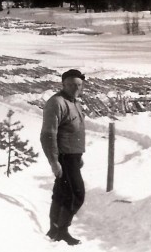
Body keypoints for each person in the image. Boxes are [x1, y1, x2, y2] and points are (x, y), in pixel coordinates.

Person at [40, 69, 86, 246]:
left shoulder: (74, 103)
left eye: (79, 85)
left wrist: (78, 155)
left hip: (72, 156)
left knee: (61, 193)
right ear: (63, 84)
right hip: (63, 157)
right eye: (71, 85)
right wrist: (54, 161)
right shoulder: (56, 103)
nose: (76, 88)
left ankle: (54, 229)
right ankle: (62, 230)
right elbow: (48, 134)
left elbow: (73, 131)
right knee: (76, 194)